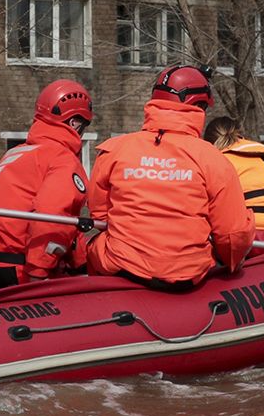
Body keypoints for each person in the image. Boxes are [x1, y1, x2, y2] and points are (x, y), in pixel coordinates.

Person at [84, 65, 253, 288]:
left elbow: (99, 214)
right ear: (199, 106)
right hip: (186, 274)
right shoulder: (212, 159)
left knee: (91, 247)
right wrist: (230, 261)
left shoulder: (115, 150)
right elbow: (233, 235)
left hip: (123, 266)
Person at [0, 79, 94, 291]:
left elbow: (67, 223)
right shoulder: (63, 160)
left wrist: (81, 263)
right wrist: (38, 275)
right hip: (9, 271)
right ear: (75, 123)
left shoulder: (18, 152)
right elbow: (53, 220)